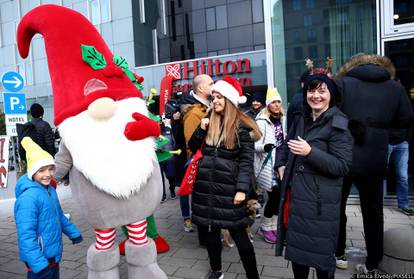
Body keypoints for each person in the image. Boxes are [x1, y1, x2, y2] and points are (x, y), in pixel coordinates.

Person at [334, 54, 414, 274]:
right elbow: (406, 119)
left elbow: (330, 115)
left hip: (343, 154)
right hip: (374, 158)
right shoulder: (395, 88)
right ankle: (374, 260)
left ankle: (338, 252)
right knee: (373, 211)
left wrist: (349, 127)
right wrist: (385, 137)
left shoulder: (342, 84)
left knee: (337, 207)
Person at [275, 70, 353, 279]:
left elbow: (342, 166)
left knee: (321, 262)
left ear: (331, 95)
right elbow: (285, 145)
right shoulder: (302, 118)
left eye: (322, 91)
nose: (316, 96)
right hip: (297, 199)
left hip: (320, 206)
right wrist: (280, 164)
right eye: (311, 91)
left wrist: (311, 152)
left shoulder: (338, 123)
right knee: (298, 258)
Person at [188, 76, 261, 279]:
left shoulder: (241, 127)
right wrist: (200, 130)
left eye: (219, 97)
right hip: (206, 188)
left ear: (228, 100)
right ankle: (216, 271)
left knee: (240, 235)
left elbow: (246, 163)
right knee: (211, 234)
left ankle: (253, 275)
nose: (216, 101)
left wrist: (241, 189)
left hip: (230, 190)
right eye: (213, 97)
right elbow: (192, 147)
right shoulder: (208, 122)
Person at [14, 137, 83, 279]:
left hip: (52, 255)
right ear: (32, 172)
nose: (48, 174)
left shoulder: (49, 189)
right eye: (41, 170)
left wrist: (73, 232)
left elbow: (58, 215)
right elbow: (26, 235)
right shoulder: (28, 198)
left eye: (51, 169)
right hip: (39, 262)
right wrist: (38, 264)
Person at [176, 74, 213, 233]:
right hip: (197, 159)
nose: (214, 85)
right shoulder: (193, 113)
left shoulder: (208, 106)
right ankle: (188, 218)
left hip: (206, 158)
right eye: (211, 83)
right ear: (201, 88)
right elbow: (191, 143)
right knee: (188, 189)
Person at [254, 87, 285, 244]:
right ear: (268, 104)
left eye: (278, 101)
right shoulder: (261, 121)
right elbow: (254, 145)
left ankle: (274, 227)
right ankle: (265, 227)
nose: (277, 104)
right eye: (273, 102)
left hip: (281, 164)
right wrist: (265, 147)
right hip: (268, 165)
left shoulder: (283, 119)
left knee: (280, 198)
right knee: (273, 197)